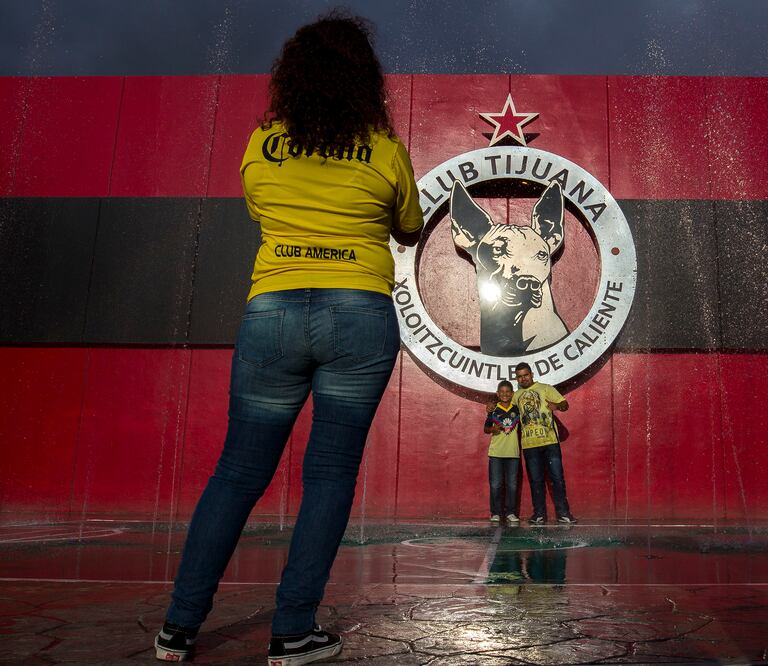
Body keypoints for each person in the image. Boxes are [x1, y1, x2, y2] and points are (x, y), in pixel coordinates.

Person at [156, 11, 423, 665]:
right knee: (329, 475)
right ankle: (293, 631)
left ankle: (177, 629)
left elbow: (258, 207)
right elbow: (411, 226)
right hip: (359, 313)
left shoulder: (264, 142)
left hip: (273, 308)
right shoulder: (384, 147)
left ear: (293, 77)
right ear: (365, 80)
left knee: (238, 472)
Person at [512, 362, 577, 525]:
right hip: (529, 445)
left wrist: (557, 406)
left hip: (550, 442)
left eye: (525, 375)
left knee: (557, 478)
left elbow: (565, 404)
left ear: (531, 374)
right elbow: (506, 411)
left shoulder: (545, 388)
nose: (523, 378)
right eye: (519, 376)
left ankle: (564, 513)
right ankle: (539, 514)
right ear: (516, 378)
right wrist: (492, 409)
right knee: (536, 480)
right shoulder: (516, 395)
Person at [484, 380, 521, 524]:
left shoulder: (517, 409)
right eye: (502, 392)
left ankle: (511, 513)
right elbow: (486, 428)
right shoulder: (493, 410)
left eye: (508, 392)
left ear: (512, 394)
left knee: (512, 485)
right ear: (497, 394)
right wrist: (492, 429)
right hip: (496, 453)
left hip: (513, 453)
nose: (505, 394)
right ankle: (496, 513)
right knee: (495, 484)